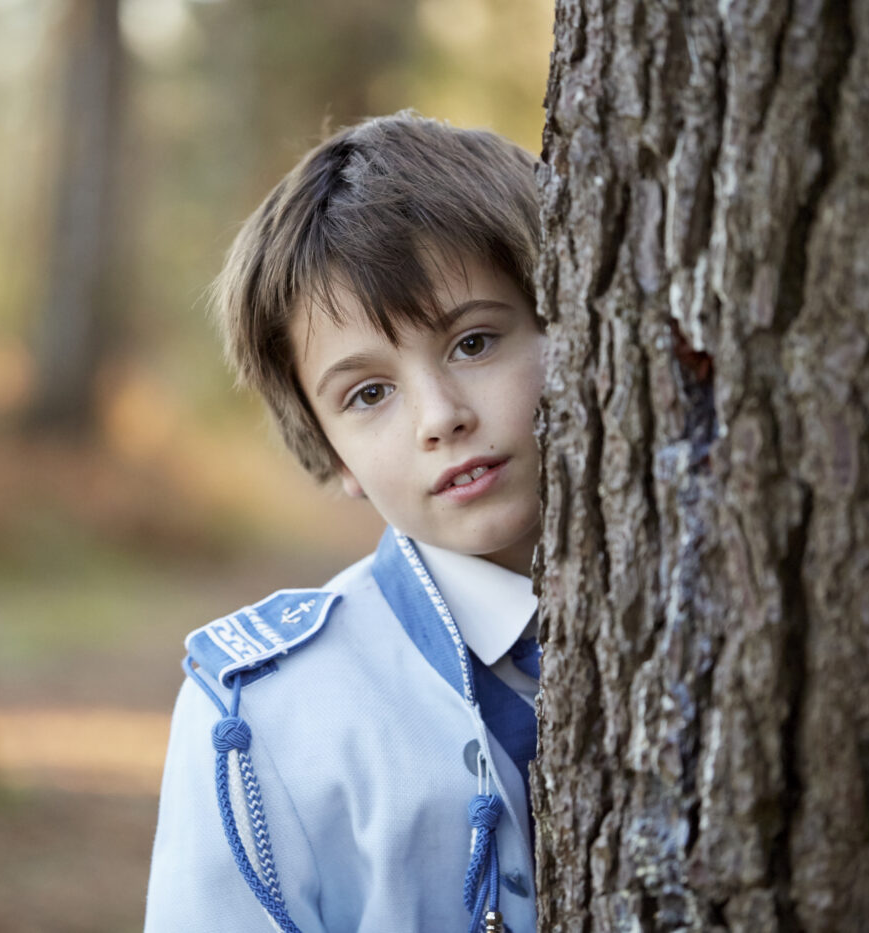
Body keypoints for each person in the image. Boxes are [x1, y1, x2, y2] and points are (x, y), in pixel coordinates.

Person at [145, 112, 546, 933]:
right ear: (333, 454)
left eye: (474, 343)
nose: (440, 416)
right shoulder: (262, 719)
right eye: (368, 393)